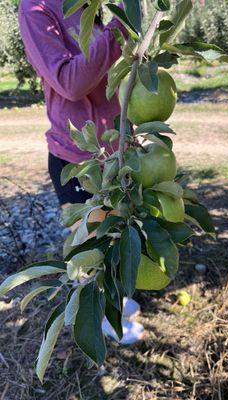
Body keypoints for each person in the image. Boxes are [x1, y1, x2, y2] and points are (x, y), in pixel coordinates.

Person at [18, 0, 144, 344]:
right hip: (77, 157)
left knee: (119, 236)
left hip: (116, 150)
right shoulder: (35, 10)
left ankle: (115, 302)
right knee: (90, 250)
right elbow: (69, 82)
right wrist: (122, 23)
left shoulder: (90, 2)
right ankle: (99, 318)